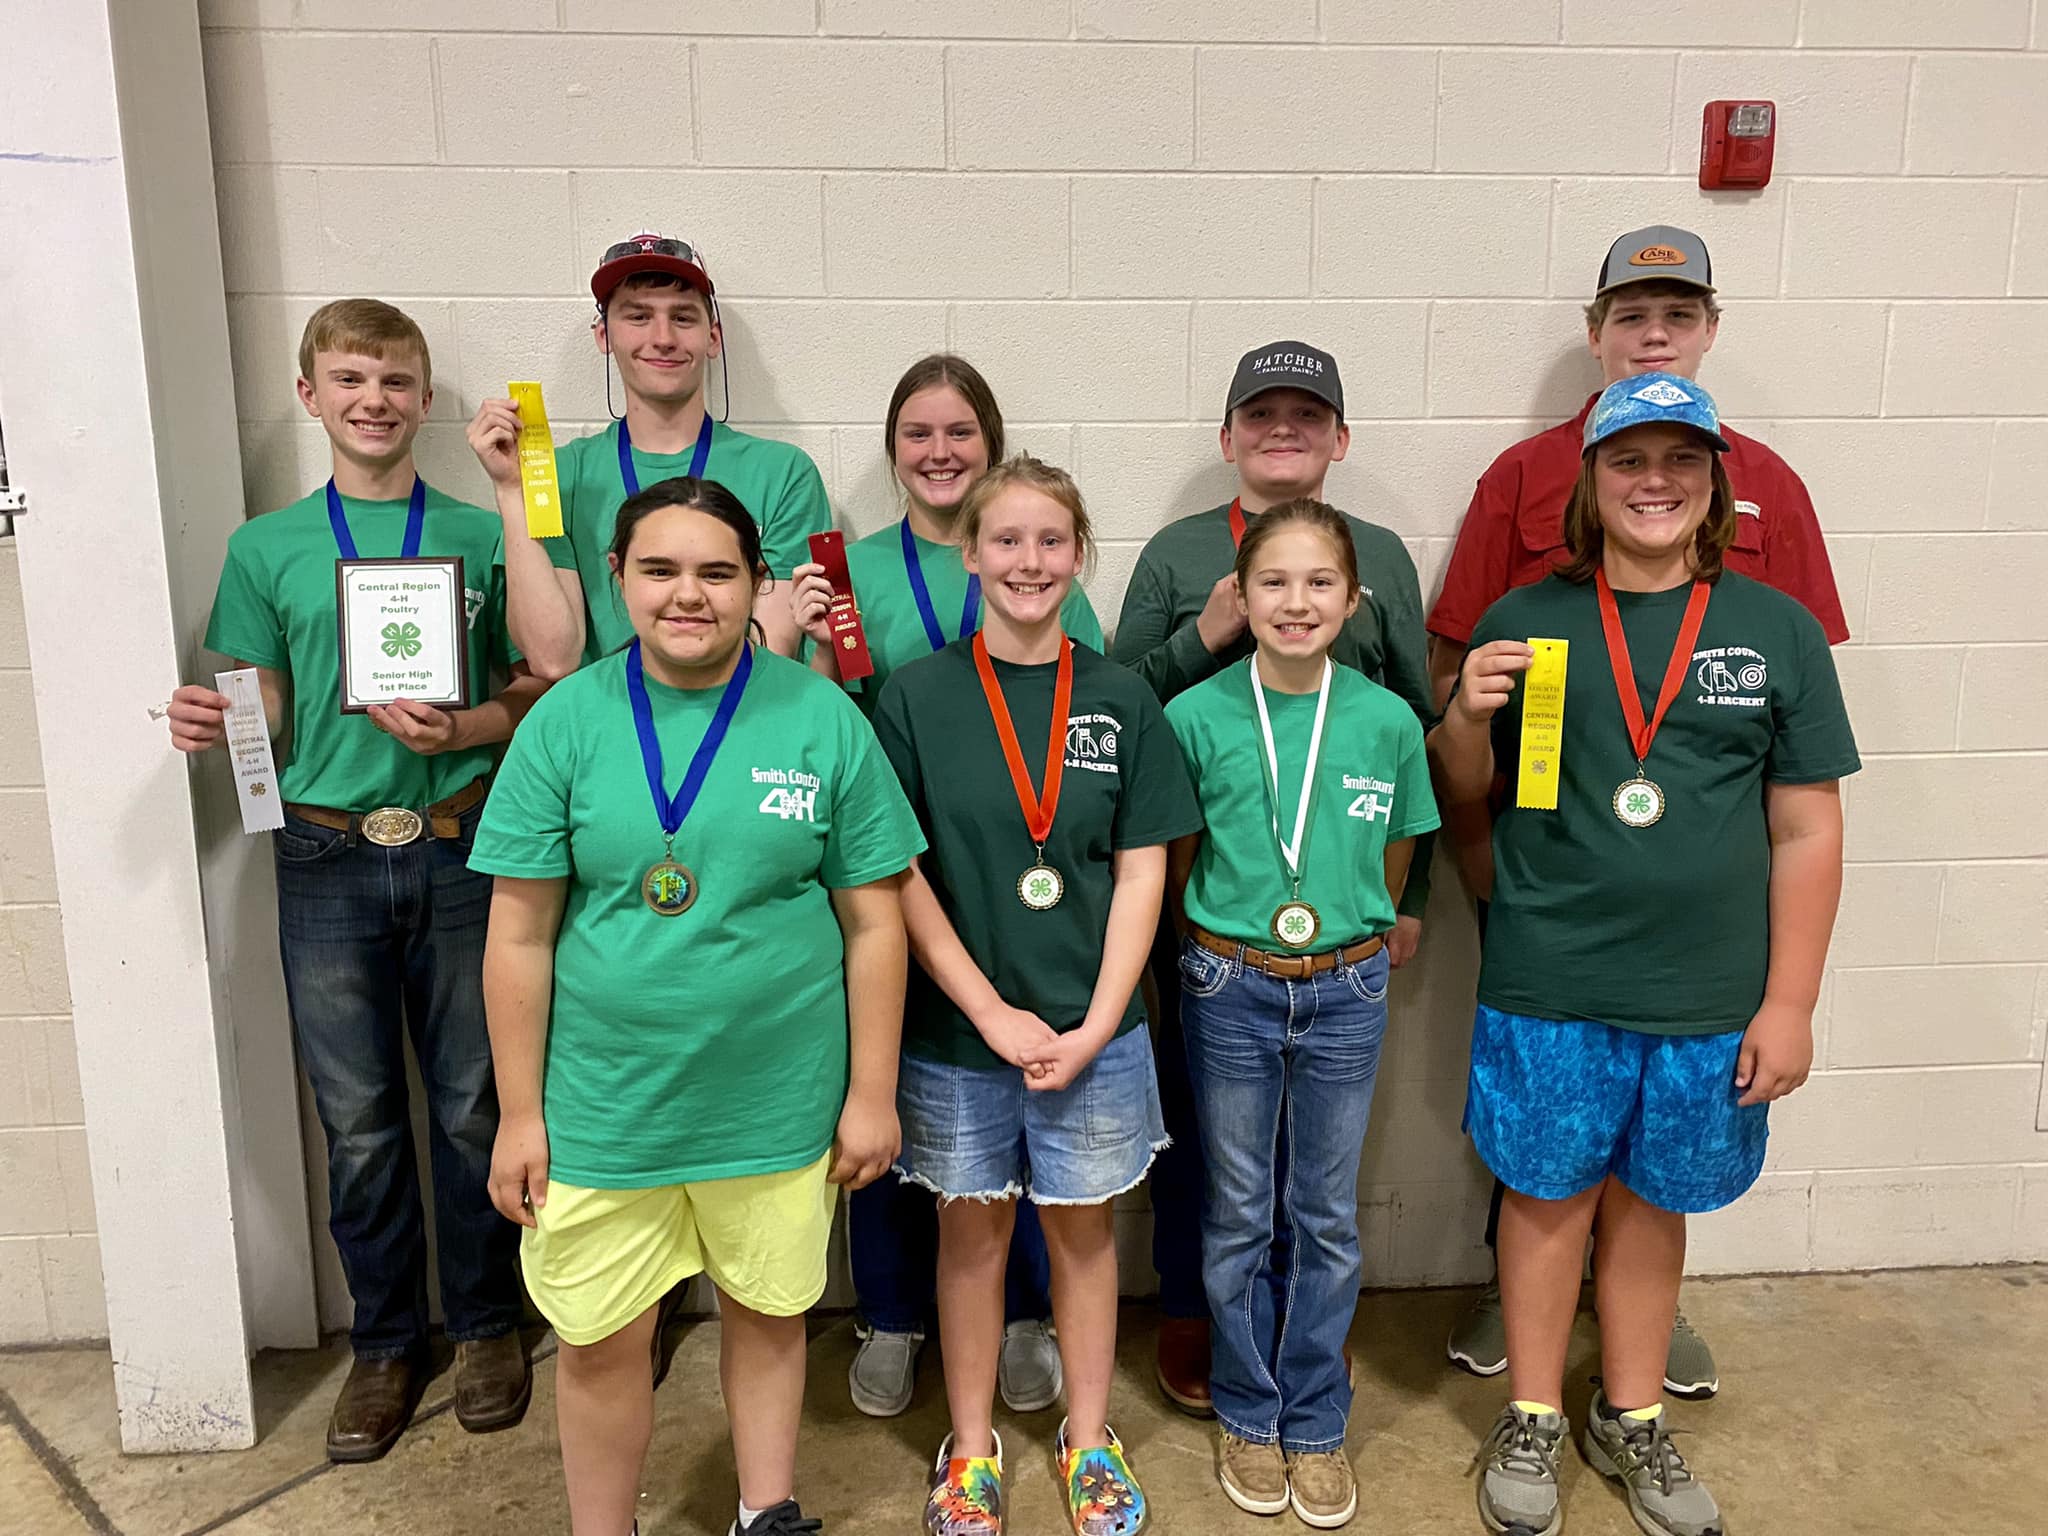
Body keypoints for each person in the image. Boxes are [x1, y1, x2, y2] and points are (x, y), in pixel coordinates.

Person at [1430, 375, 1856, 1536]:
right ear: (1589, 480)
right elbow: (1458, 791)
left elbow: (1806, 825)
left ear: (1715, 483)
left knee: (1652, 1203)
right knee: (1545, 1195)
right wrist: (1462, 714)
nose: (1652, 482)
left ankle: (1631, 1418)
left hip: (1706, 993)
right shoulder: (1524, 616)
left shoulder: (1773, 631)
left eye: (1679, 461)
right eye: (1627, 461)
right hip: (1549, 975)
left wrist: (1791, 1003)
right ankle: (1528, 1411)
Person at [472, 478, 924, 1536]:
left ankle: (764, 1511)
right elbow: (518, 935)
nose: (689, 594)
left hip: (773, 1102)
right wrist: (521, 1113)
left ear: (758, 585)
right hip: (604, 1110)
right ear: (617, 578)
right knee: (600, 1338)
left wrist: (871, 1093)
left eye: (717, 572)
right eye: (660, 569)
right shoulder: (563, 725)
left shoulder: (821, 720)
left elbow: (875, 924)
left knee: (770, 1316)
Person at [163, 299, 535, 1462]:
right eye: (349, 379)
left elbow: (544, 688)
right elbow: (262, 700)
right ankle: (384, 1343)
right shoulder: (265, 547)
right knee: (360, 1120)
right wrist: (213, 716)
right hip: (324, 853)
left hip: (462, 841)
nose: (373, 400)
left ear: (424, 402)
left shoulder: (481, 539)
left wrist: (465, 722)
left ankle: (484, 1324)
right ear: (309, 395)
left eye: (395, 381)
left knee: (474, 1108)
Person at [872, 457, 1201, 1536]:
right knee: (968, 1242)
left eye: (1049, 541)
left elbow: (1144, 867)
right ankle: (969, 1447)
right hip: (961, 1035)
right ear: (967, 554)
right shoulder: (914, 695)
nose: (1027, 561)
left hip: (1093, 1031)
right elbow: (899, 873)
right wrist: (986, 1012)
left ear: (1077, 556)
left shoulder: (1119, 695)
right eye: (1004, 541)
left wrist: (1100, 1021)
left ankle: (1086, 1436)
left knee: (1082, 1237)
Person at [1112, 341, 1434, 1415]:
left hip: (1343, 917)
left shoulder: (1383, 554)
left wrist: (1407, 901)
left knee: (1318, 1170)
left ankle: (1304, 1331)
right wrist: (1201, 634)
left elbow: (1405, 740)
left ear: (1340, 438)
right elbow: (1120, 712)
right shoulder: (1172, 553)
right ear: (1227, 437)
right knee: (1209, 1146)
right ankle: (1203, 1321)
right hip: (1215, 915)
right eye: (1262, 413)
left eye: (1307, 414)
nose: (1282, 429)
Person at [790, 355, 1100, 1419]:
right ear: (890, 451)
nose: (938, 452)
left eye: (959, 432)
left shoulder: (1038, 563)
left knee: (1014, 1115)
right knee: (883, 1094)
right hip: (890, 873)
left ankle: (1019, 1314)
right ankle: (888, 1313)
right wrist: (799, 634)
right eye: (916, 433)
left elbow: (1083, 704)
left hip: (1011, 877)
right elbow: (820, 712)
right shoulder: (848, 567)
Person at [1163, 499, 1439, 1529]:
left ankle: (1315, 1420)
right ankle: (1247, 1409)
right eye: (1272, 582)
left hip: (1346, 986)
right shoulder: (1194, 717)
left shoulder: (1385, 719)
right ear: (1238, 595)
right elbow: (1182, 858)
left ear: (1351, 599)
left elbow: (1399, 848)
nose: (1295, 602)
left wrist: (1370, 927)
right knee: (1237, 1210)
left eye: (1318, 583)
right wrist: (1209, 943)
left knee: (1322, 1216)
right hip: (1228, 983)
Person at [466, 232, 830, 675]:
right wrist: (509, 490)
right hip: (604, 735)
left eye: (682, 317)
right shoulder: (556, 476)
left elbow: (769, 652)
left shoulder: (783, 474)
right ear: (604, 335)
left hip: (739, 730)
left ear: (712, 337)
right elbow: (553, 658)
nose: (663, 338)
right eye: (638, 316)